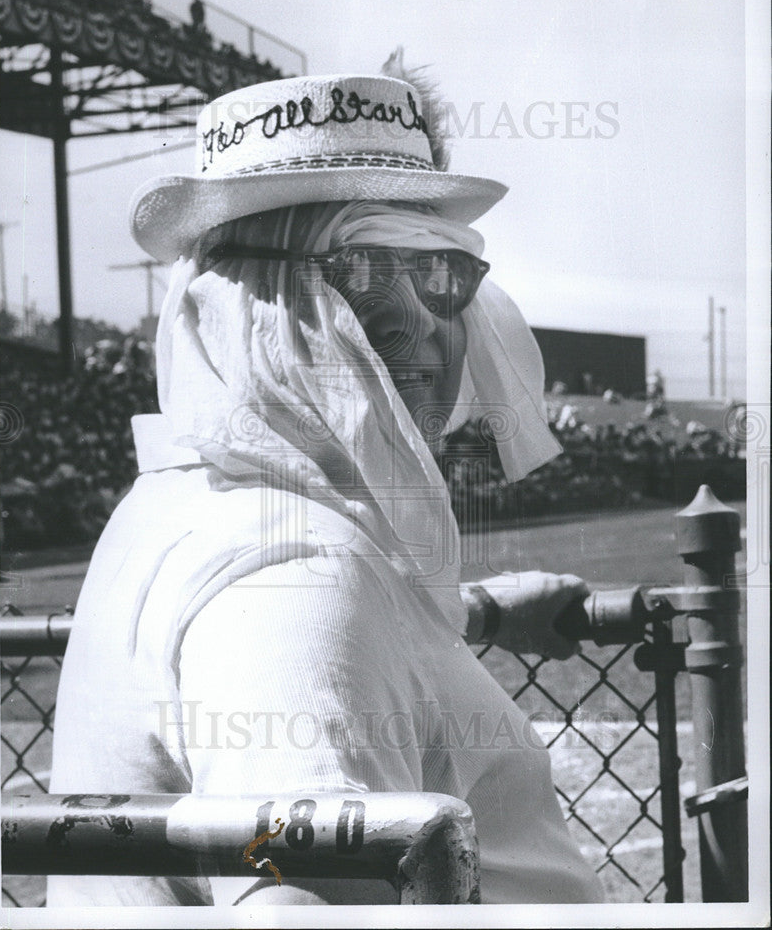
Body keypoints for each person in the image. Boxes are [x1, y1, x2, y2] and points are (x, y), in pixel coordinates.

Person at [47, 60, 604, 906]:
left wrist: (478, 611)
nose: (423, 334)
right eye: (366, 281)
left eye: (441, 279)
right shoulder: (294, 583)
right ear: (247, 310)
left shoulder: (198, 501)